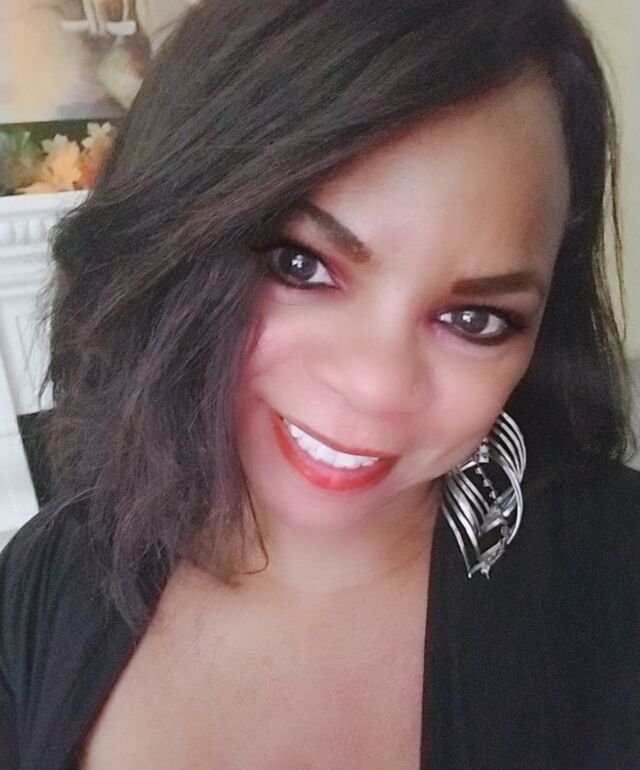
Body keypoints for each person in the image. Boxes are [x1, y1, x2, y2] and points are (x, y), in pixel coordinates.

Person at [1, 1, 639, 768]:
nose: (376, 387)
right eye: (301, 265)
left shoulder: (613, 588)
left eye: (475, 319)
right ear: (173, 242)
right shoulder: (51, 575)